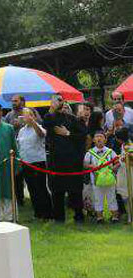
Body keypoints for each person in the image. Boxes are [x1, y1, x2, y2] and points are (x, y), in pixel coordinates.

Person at [43, 95, 87, 223]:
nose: (61, 104)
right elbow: (46, 123)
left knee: (75, 191)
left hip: (73, 162)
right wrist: (52, 108)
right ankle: (59, 217)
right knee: (57, 191)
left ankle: (78, 216)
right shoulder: (50, 118)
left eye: (62, 102)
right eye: (58, 101)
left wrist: (68, 134)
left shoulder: (74, 120)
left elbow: (82, 135)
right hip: (56, 161)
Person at [16, 108, 52, 220]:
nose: (26, 117)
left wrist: (33, 122)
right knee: (32, 188)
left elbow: (41, 135)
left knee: (41, 187)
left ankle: (47, 213)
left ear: (33, 116)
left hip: (38, 161)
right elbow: (19, 145)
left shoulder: (38, 127)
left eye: (29, 115)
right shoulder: (22, 131)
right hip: (26, 162)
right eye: (24, 115)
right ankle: (37, 213)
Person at [84, 130, 119, 223]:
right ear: (93, 140)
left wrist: (113, 168)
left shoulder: (110, 151)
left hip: (109, 179)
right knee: (97, 197)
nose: (99, 138)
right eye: (97, 136)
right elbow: (85, 164)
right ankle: (100, 217)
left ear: (105, 139)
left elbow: (117, 162)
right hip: (96, 180)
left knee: (111, 197)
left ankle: (115, 216)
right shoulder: (90, 153)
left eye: (101, 136)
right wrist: (92, 166)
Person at [0, 103, 18, 221]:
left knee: (8, 190)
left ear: (1, 113)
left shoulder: (9, 128)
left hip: (7, 165)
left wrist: (16, 164)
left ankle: (10, 216)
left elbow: (14, 147)